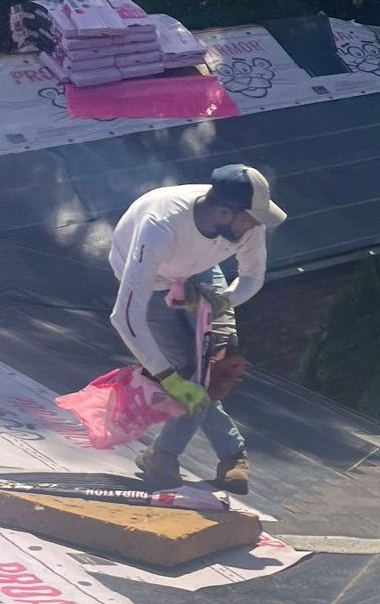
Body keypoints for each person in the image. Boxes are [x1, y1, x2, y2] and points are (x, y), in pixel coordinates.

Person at [108, 163, 287, 494]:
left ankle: (165, 456)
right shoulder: (160, 226)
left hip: (199, 269)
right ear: (222, 212)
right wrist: (169, 379)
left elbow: (252, 276)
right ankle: (230, 458)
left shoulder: (247, 222)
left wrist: (224, 302)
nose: (256, 225)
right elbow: (125, 315)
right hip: (152, 280)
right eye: (251, 218)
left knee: (219, 363)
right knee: (189, 371)